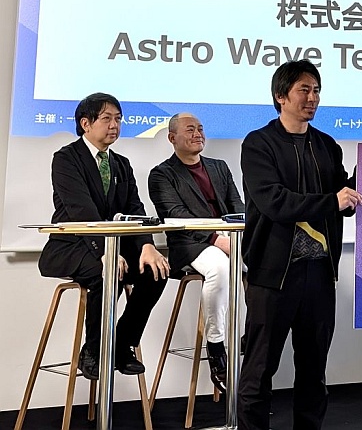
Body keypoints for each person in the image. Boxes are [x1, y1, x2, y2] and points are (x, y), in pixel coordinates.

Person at [237, 60, 362, 430]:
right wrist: (333, 201)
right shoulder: (258, 144)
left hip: (319, 275)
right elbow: (274, 202)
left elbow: (345, 200)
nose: (312, 98)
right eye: (304, 90)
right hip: (273, 276)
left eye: (316, 90)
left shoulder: (326, 145)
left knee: (313, 372)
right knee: (259, 371)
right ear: (281, 96)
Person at [38, 92, 170, 380]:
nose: (114, 125)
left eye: (118, 119)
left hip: (111, 246)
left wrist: (147, 246)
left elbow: (135, 209)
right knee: (107, 271)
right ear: (85, 123)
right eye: (107, 118)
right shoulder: (66, 159)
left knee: (156, 271)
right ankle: (94, 351)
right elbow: (81, 210)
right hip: (72, 247)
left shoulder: (121, 163)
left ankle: (121, 345)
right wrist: (106, 252)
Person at [149, 112, 243, 392]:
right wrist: (215, 238)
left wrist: (238, 234)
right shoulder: (161, 174)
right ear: (172, 138)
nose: (198, 134)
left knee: (265, 261)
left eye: (200, 128)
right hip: (191, 244)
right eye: (190, 129)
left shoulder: (219, 167)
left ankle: (253, 334)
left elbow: (237, 207)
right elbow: (176, 216)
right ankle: (216, 347)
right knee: (221, 267)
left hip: (229, 238)